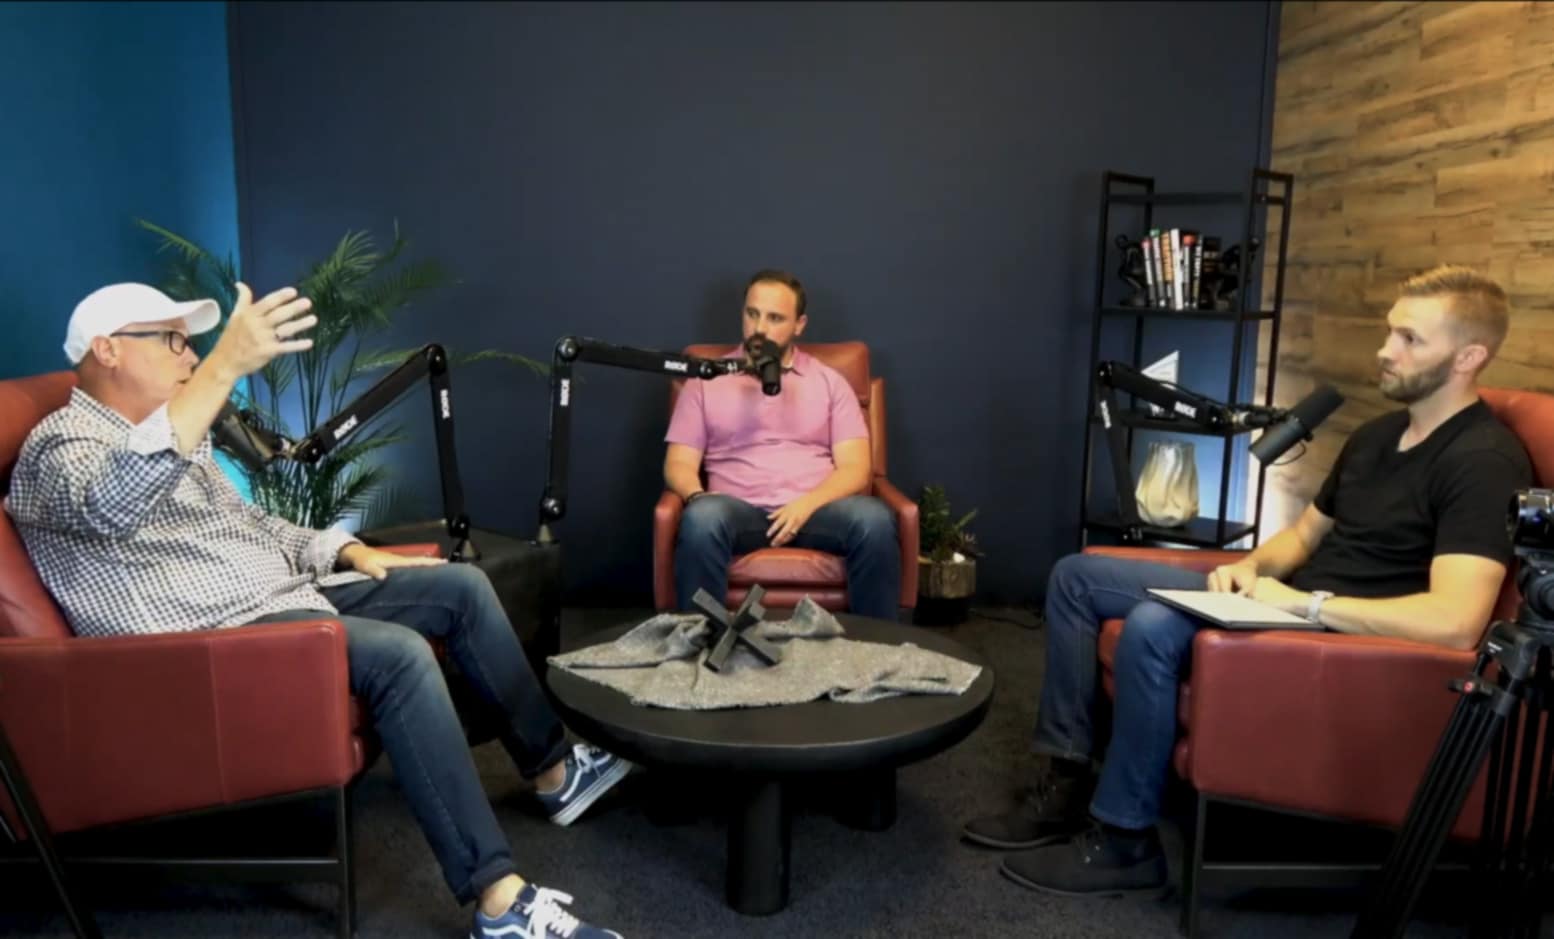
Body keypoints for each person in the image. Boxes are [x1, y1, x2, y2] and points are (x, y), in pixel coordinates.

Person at [4, 282, 629, 939]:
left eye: (192, 345)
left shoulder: (177, 436)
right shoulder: (58, 447)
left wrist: (348, 549)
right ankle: (499, 902)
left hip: (280, 599)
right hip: (211, 643)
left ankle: (554, 771)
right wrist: (223, 367)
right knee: (398, 656)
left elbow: (252, 525)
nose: (189, 357)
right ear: (106, 349)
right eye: (172, 340)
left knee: (461, 587)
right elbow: (111, 501)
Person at [962, 265, 1533, 899]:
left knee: (1152, 625)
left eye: (1409, 339)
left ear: (1469, 356)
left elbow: (1454, 623)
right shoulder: (1378, 436)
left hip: (1335, 631)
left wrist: (1307, 603)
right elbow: (1305, 538)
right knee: (1076, 576)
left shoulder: (1483, 462)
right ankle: (1069, 781)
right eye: (1389, 333)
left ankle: (1125, 842)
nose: (1385, 350)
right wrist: (1254, 566)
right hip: (1281, 600)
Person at [663, 268, 901, 619]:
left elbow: (856, 468)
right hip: (738, 511)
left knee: (875, 520)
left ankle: (875, 650)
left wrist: (805, 505)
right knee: (701, 518)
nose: (759, 328)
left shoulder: (830, 383)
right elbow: (678, 463)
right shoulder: (706, 380)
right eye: (752, 313)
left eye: (775, 318)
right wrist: (696, 496)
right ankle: (701, 642)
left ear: (799, 324)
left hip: (816, 511)